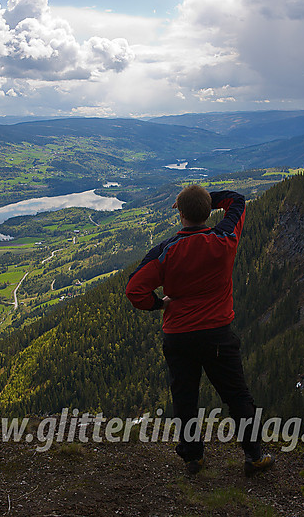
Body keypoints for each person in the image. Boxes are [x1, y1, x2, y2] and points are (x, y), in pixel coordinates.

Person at [125, 184, 274, 476]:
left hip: (178, 336)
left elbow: (134, 290)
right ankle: (254, 457)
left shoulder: (165, 251)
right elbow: (237, 201)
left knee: (185, 398)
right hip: (217, 334)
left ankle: (194, 458)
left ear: (180, 215)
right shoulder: (224, 239)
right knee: (237, 397)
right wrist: (207, 201)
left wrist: (158, 304)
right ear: (208, 212)